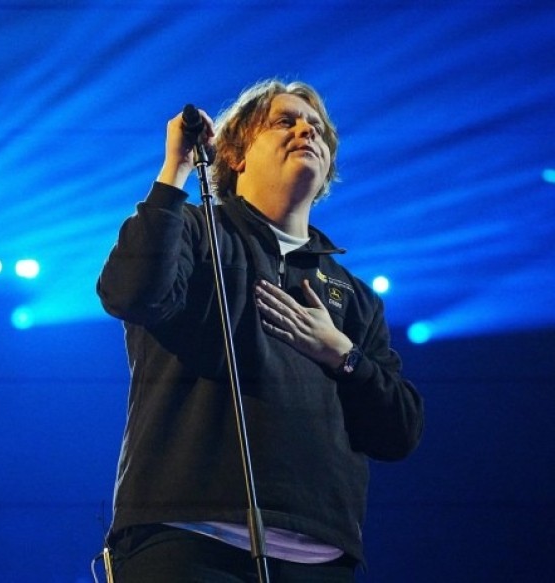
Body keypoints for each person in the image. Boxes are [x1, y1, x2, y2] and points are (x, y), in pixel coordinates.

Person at [96, 79, 424, 582]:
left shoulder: (353, 296)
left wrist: (343, 354)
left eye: (316, 128)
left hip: (319, 556)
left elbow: (399, 433)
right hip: (189, 538)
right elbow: (130, 293)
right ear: (236, 155)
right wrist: (175, 170)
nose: (306, 132)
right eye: (284, 122)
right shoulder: (193, 230)